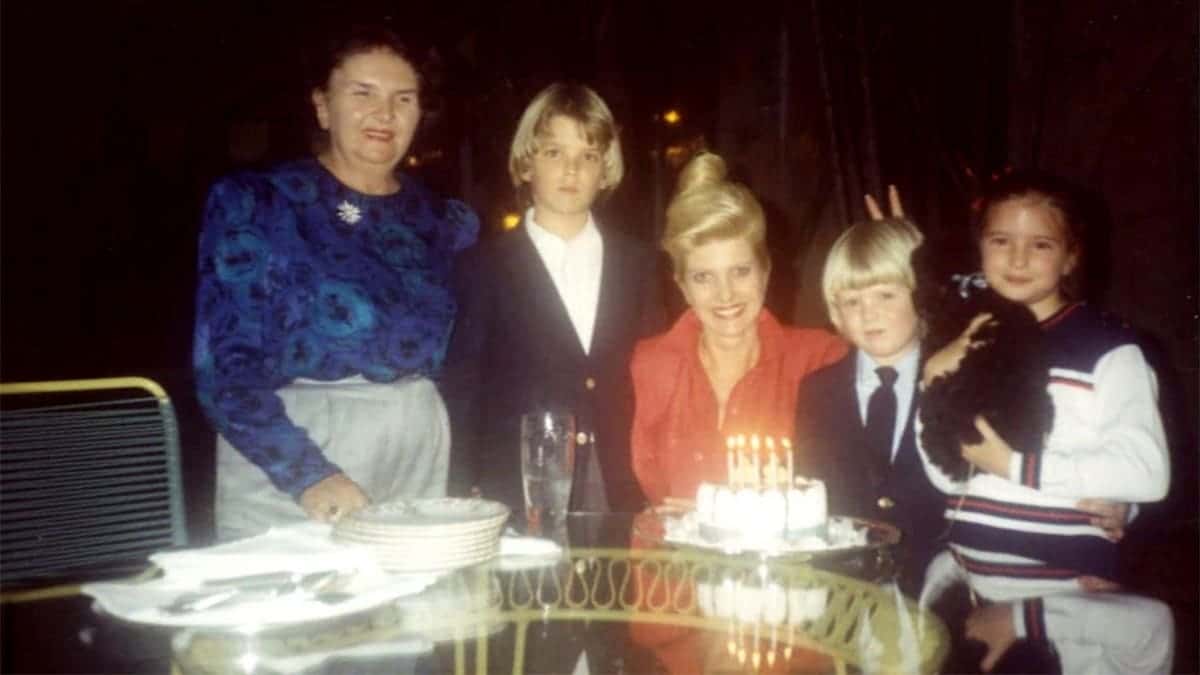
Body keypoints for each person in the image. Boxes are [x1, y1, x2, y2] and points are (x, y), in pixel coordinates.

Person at [194, 25, 479, 541]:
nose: (384, 113)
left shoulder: (444, 221)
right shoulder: (259, 202)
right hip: (295, 457)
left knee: (409, 614)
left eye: (403, 98)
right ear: (324, 107)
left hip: (417, 450)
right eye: (362, 92)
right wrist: (308, 474)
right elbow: (224, 367)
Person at [917, 171, 1169, 589]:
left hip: (1068, 582)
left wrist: (1015, 467)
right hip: (968, 574)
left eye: (1041, 244)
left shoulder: (1108, 345)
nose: (1018, 260)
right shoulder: (965, 336)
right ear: (979, 247)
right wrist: (931, 379)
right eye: (1001, 241)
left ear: (1071, 257)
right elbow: (946, 476)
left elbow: (1147, 471)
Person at [441, 82, 665, 521]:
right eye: (553, 153)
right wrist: (460, 484)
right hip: (519, 481)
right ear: (526, 165)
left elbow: (657, 370)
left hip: (621, 478)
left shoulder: (640, 263)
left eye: (588, 156)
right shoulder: (483, 265)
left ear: (605, 170)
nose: (571, 170)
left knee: (614, 587)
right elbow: (465, 385)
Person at [630, 152, 846, 504]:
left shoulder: (819, 358)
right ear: (681, 285)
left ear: (766, 271)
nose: (725, 294)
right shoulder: (648, 365)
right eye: (703, 277)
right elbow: (647, 501)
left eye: (740, 271)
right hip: (674, 559)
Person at [794, 214, 946, 580]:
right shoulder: (816, 390)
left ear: (920, 293)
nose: (869, 313)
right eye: (852, 301)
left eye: (886, 295)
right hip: (843, 588)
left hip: (935, 584)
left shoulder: (953, 381)